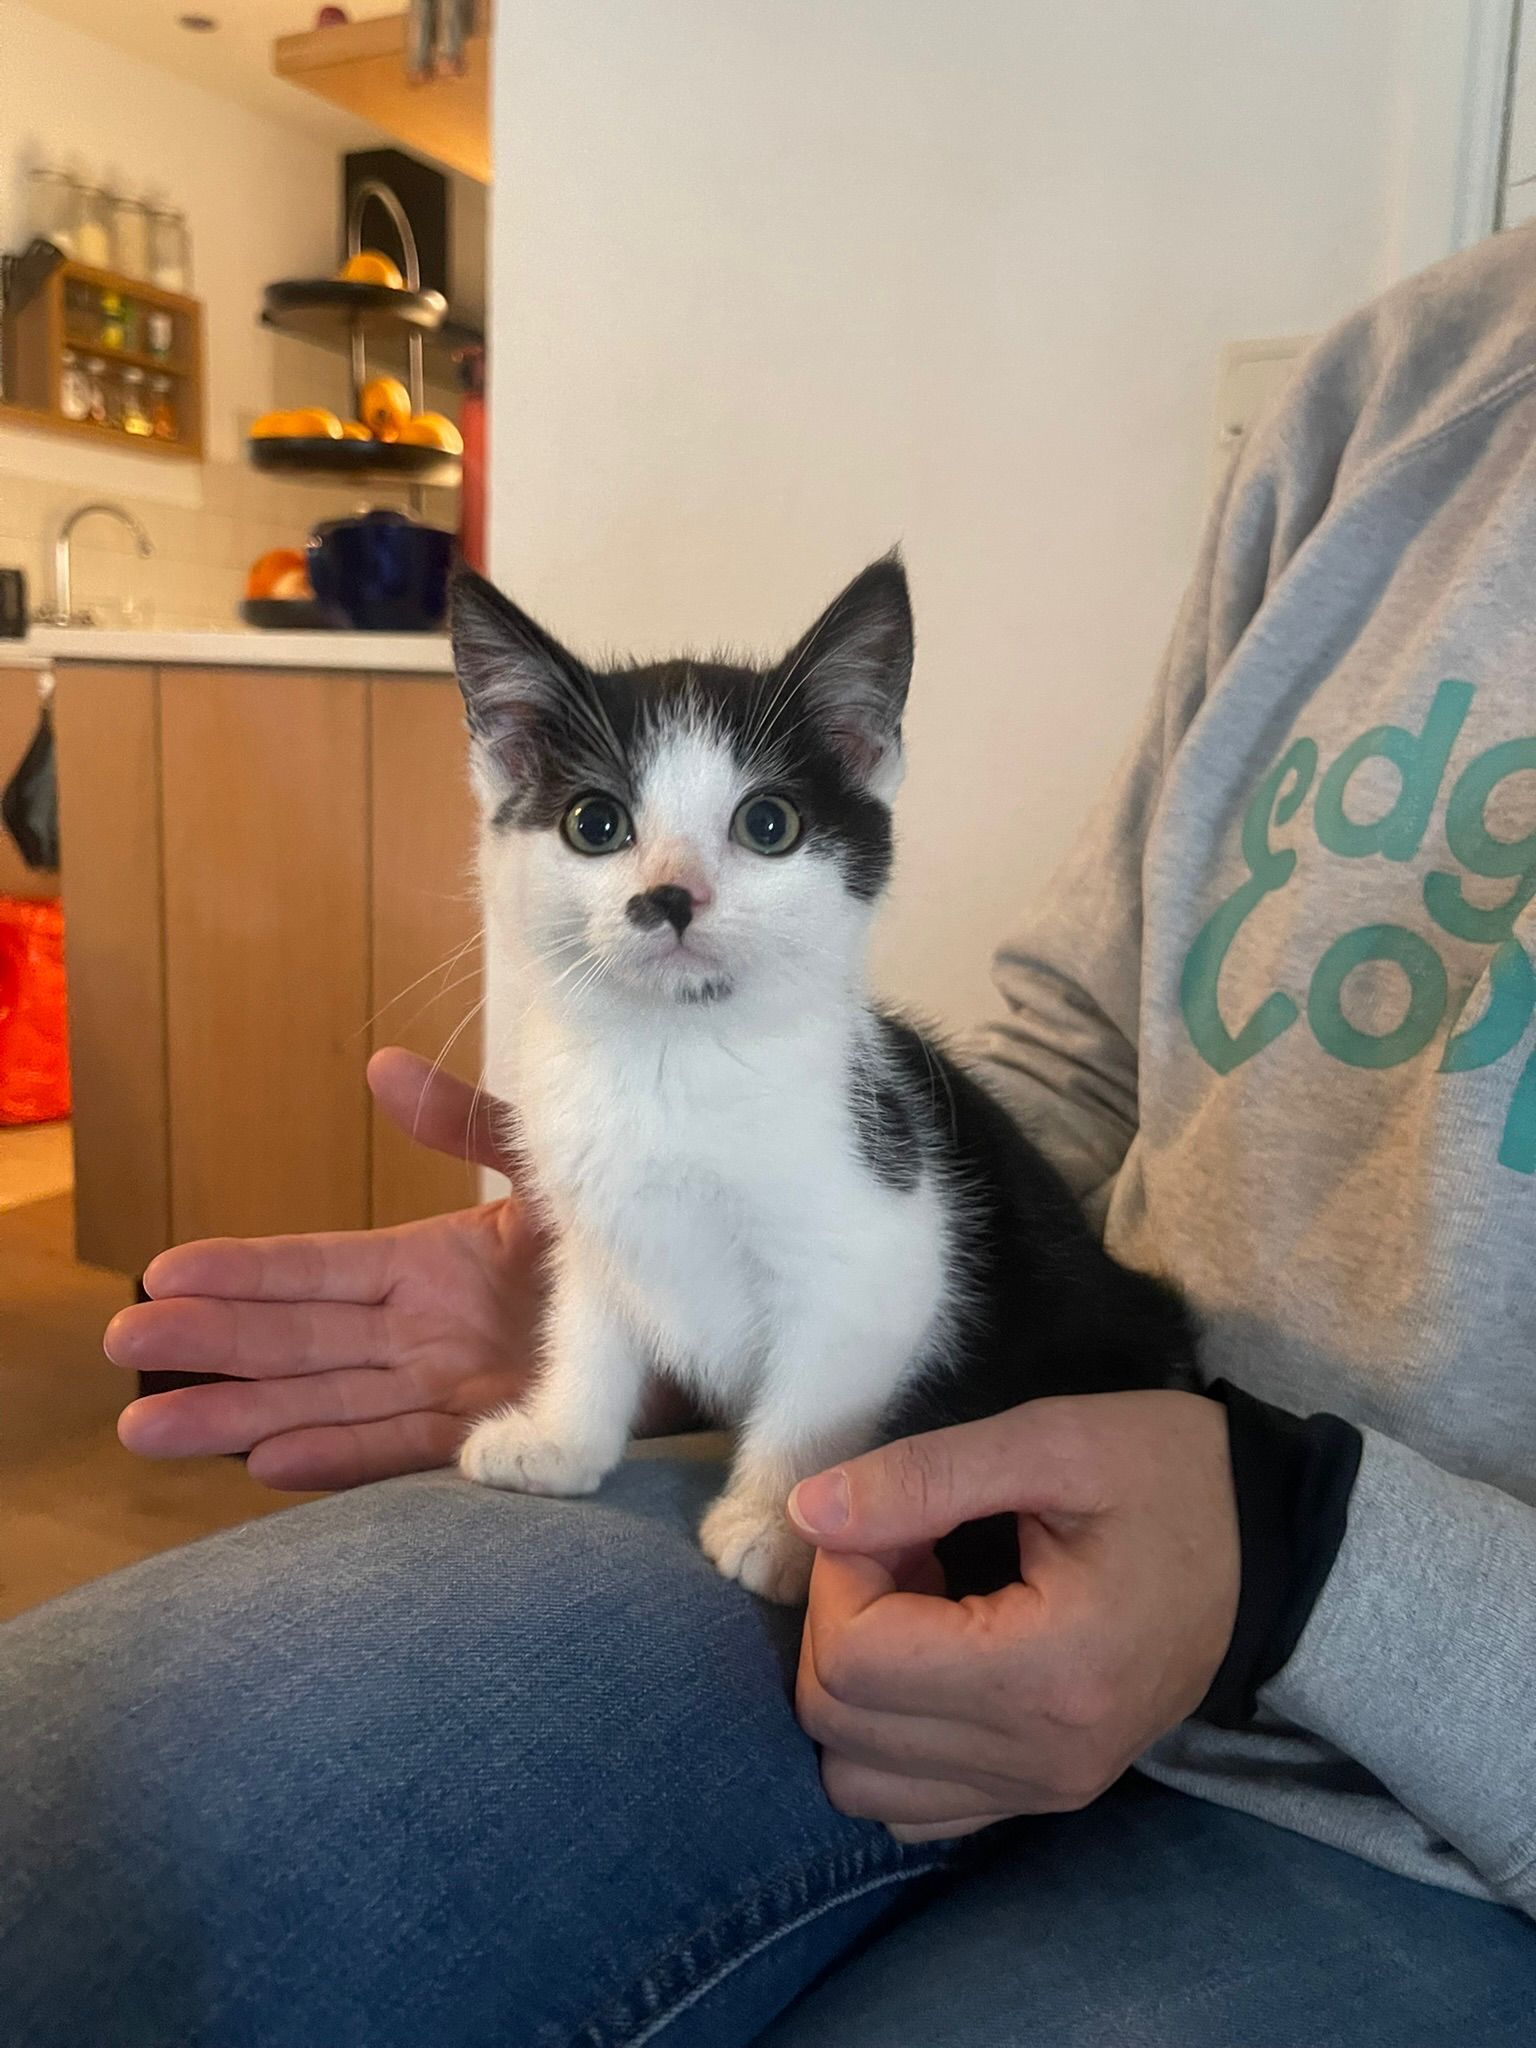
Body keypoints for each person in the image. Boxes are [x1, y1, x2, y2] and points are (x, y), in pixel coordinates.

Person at [6, 223, 1536, 2047]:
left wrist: (1289, 1556)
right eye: (596, 828)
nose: (668, 884)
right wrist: (684, 1314)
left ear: (855, 775)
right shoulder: (1403, 389)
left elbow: (896, 1244)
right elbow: (1071, 1056)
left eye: (763, 830)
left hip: (1423, 1783)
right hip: (967, 1477)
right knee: (81, 1808)